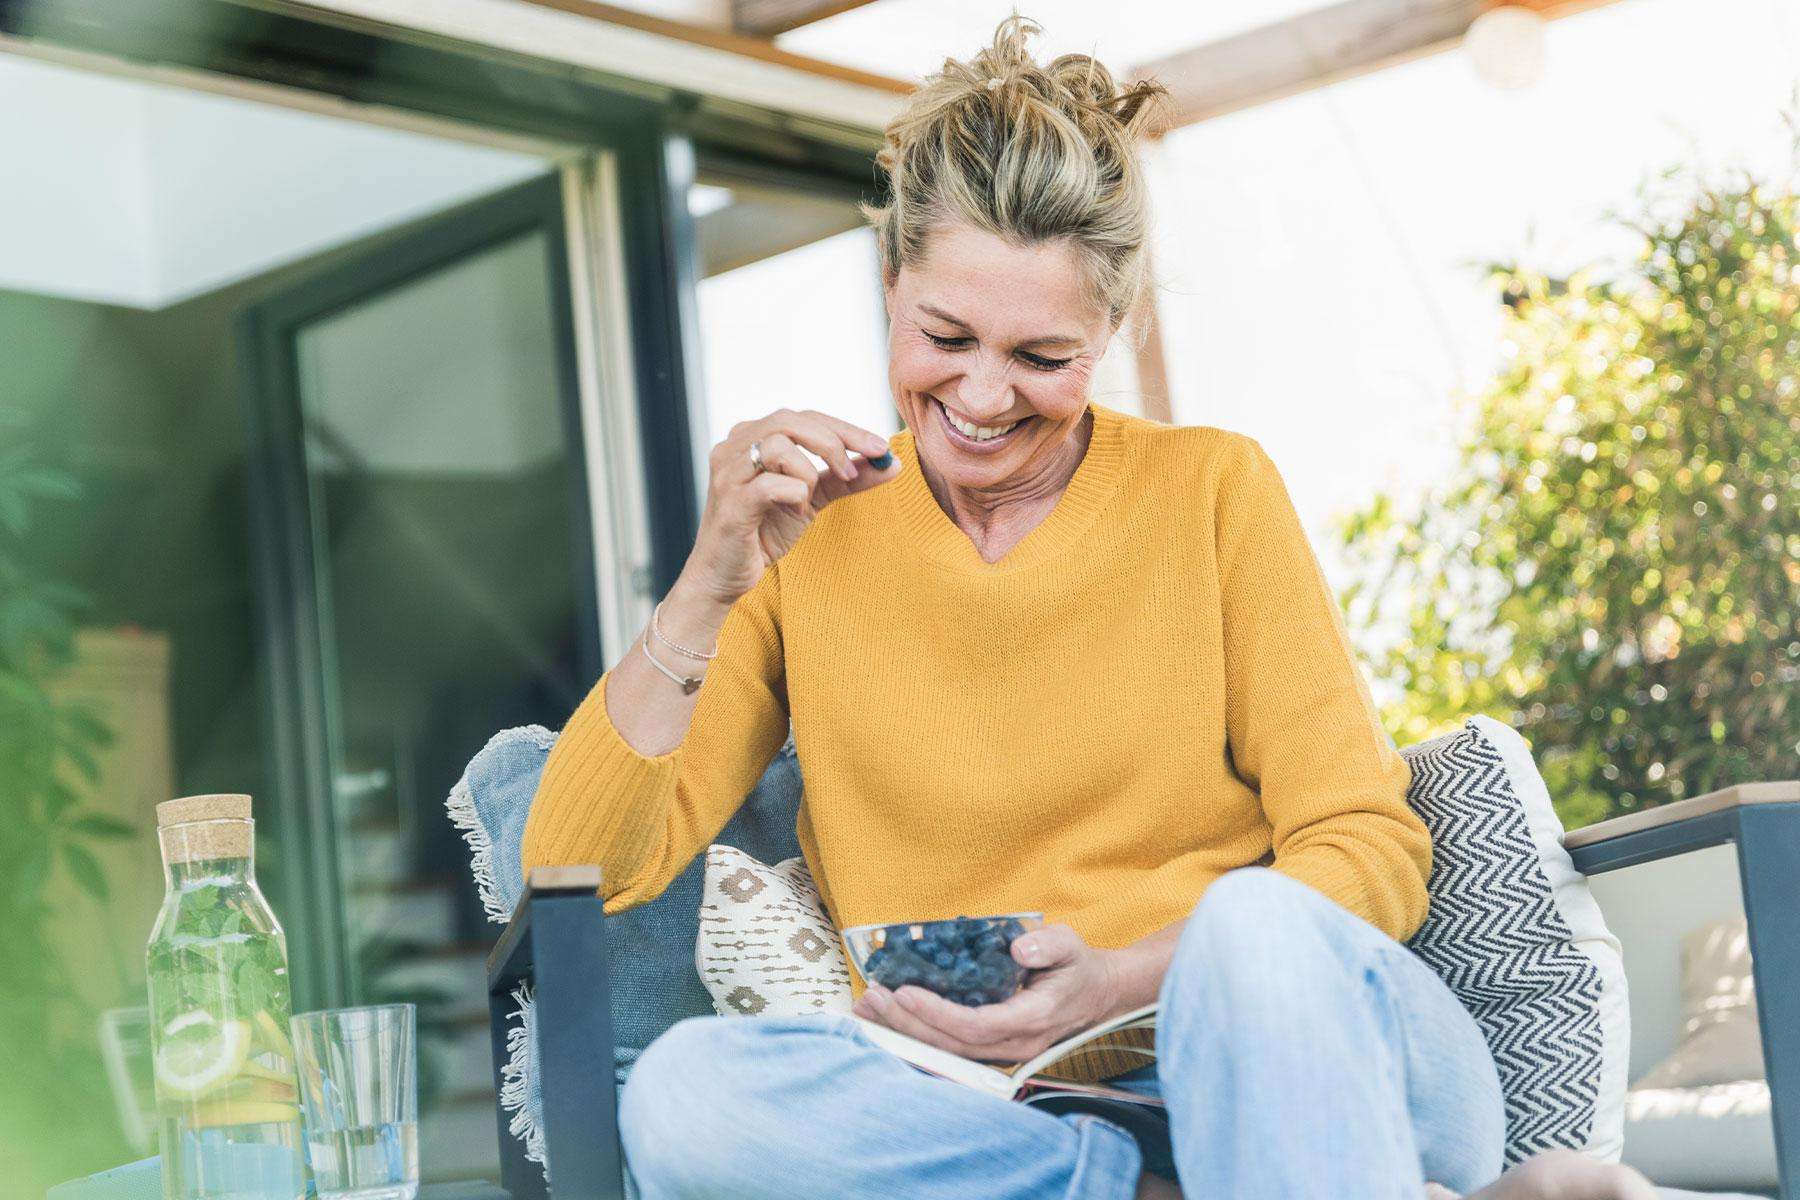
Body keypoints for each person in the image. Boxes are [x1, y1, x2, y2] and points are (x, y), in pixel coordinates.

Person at [522, 17, 1656, 1200]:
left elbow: (1366, 844)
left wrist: (1124, 977)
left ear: (1115, 331)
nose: (981, 394)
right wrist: (709, 584)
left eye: (1043, 355)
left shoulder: (1212, 488)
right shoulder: (805, 543)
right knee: (688, 1097)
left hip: (1304, 1057)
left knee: (1252, 930)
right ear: (891, 285)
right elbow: (574, 870)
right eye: (944, 337)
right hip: (1002, 1114)